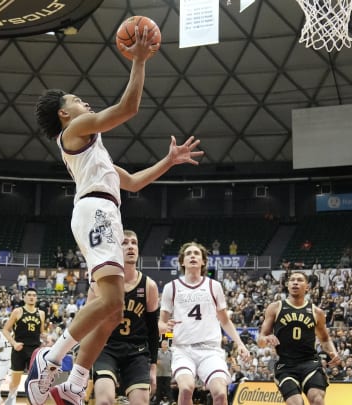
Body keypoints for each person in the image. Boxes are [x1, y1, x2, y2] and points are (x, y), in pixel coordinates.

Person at [27, 22, 203, 405]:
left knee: (114, 307)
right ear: (63, 113)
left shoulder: (95, 150)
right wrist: (139, 61)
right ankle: (51, 358)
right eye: (77, 100)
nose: (85, 103)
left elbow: (135, 182)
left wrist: (168, 162)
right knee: (109, 304)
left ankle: (75, 383)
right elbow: (129, 108)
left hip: (103, 210)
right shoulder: (77, 128)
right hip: (95, 211)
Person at [158, 242, 250, 405]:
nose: (192, 256)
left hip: (210, 350)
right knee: (186, 388)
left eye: (196, 254)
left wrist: (240, 343)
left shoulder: (214, 286)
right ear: (182, 261)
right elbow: (161, 323)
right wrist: (164, 328)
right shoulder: (170, 287)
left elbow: (224, 320)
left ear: (203, 262)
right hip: (183, 349)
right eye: (188, 254)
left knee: (220, 393)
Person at [89, 230, 160, 405]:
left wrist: (153, 367)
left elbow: (153, 330)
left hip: (137, 351)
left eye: (134, 243)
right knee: (104, 401)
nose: (130, 246)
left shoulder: (149, 286)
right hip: (106, 348)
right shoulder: (102, 283)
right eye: (125, 242)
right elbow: (87, 323)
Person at [258, 271, 341, 405]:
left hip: (310, 363)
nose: (295, 282)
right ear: (287, 285)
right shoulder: (275, 308)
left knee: (317, 399)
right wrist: (266, 339)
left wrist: (333, 353)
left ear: (307, 287)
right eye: (292, 280)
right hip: (286, 364)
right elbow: (260, 340)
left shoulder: (317, 312)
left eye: (300, 280)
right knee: (296, 403)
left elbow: (325, 339)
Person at [2, 288, 46, 405]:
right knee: (15, 381)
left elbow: (41, 332)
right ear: (24, 297)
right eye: (29, 295)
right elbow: (5, 330)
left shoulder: (41, 313)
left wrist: (47, 338)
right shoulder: (17, 311)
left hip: (34, 350)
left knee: (34, 381)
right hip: (19, 349)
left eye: (34, 295)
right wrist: (14, 343)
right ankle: (11, 398)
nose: (32, 297)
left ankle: (32, 401)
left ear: (36, 298)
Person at [0, 327, 14, 405]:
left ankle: (10, 400)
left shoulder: (14, 334)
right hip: (2, 362)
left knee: (13, 383)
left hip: (11, 362)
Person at [156, 339, 173, 405]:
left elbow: (172, 362)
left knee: (168, 388)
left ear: (167, 345)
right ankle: (157, 402)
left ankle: (171, 401)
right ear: (161, 345)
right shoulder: (158, 352)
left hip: (167, 374)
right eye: (163, 344)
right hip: (159, 374)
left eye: (166, 344)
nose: (165, 345)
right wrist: (157, 362)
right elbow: (154, 360)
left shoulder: (170, 353)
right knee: (159, 389)